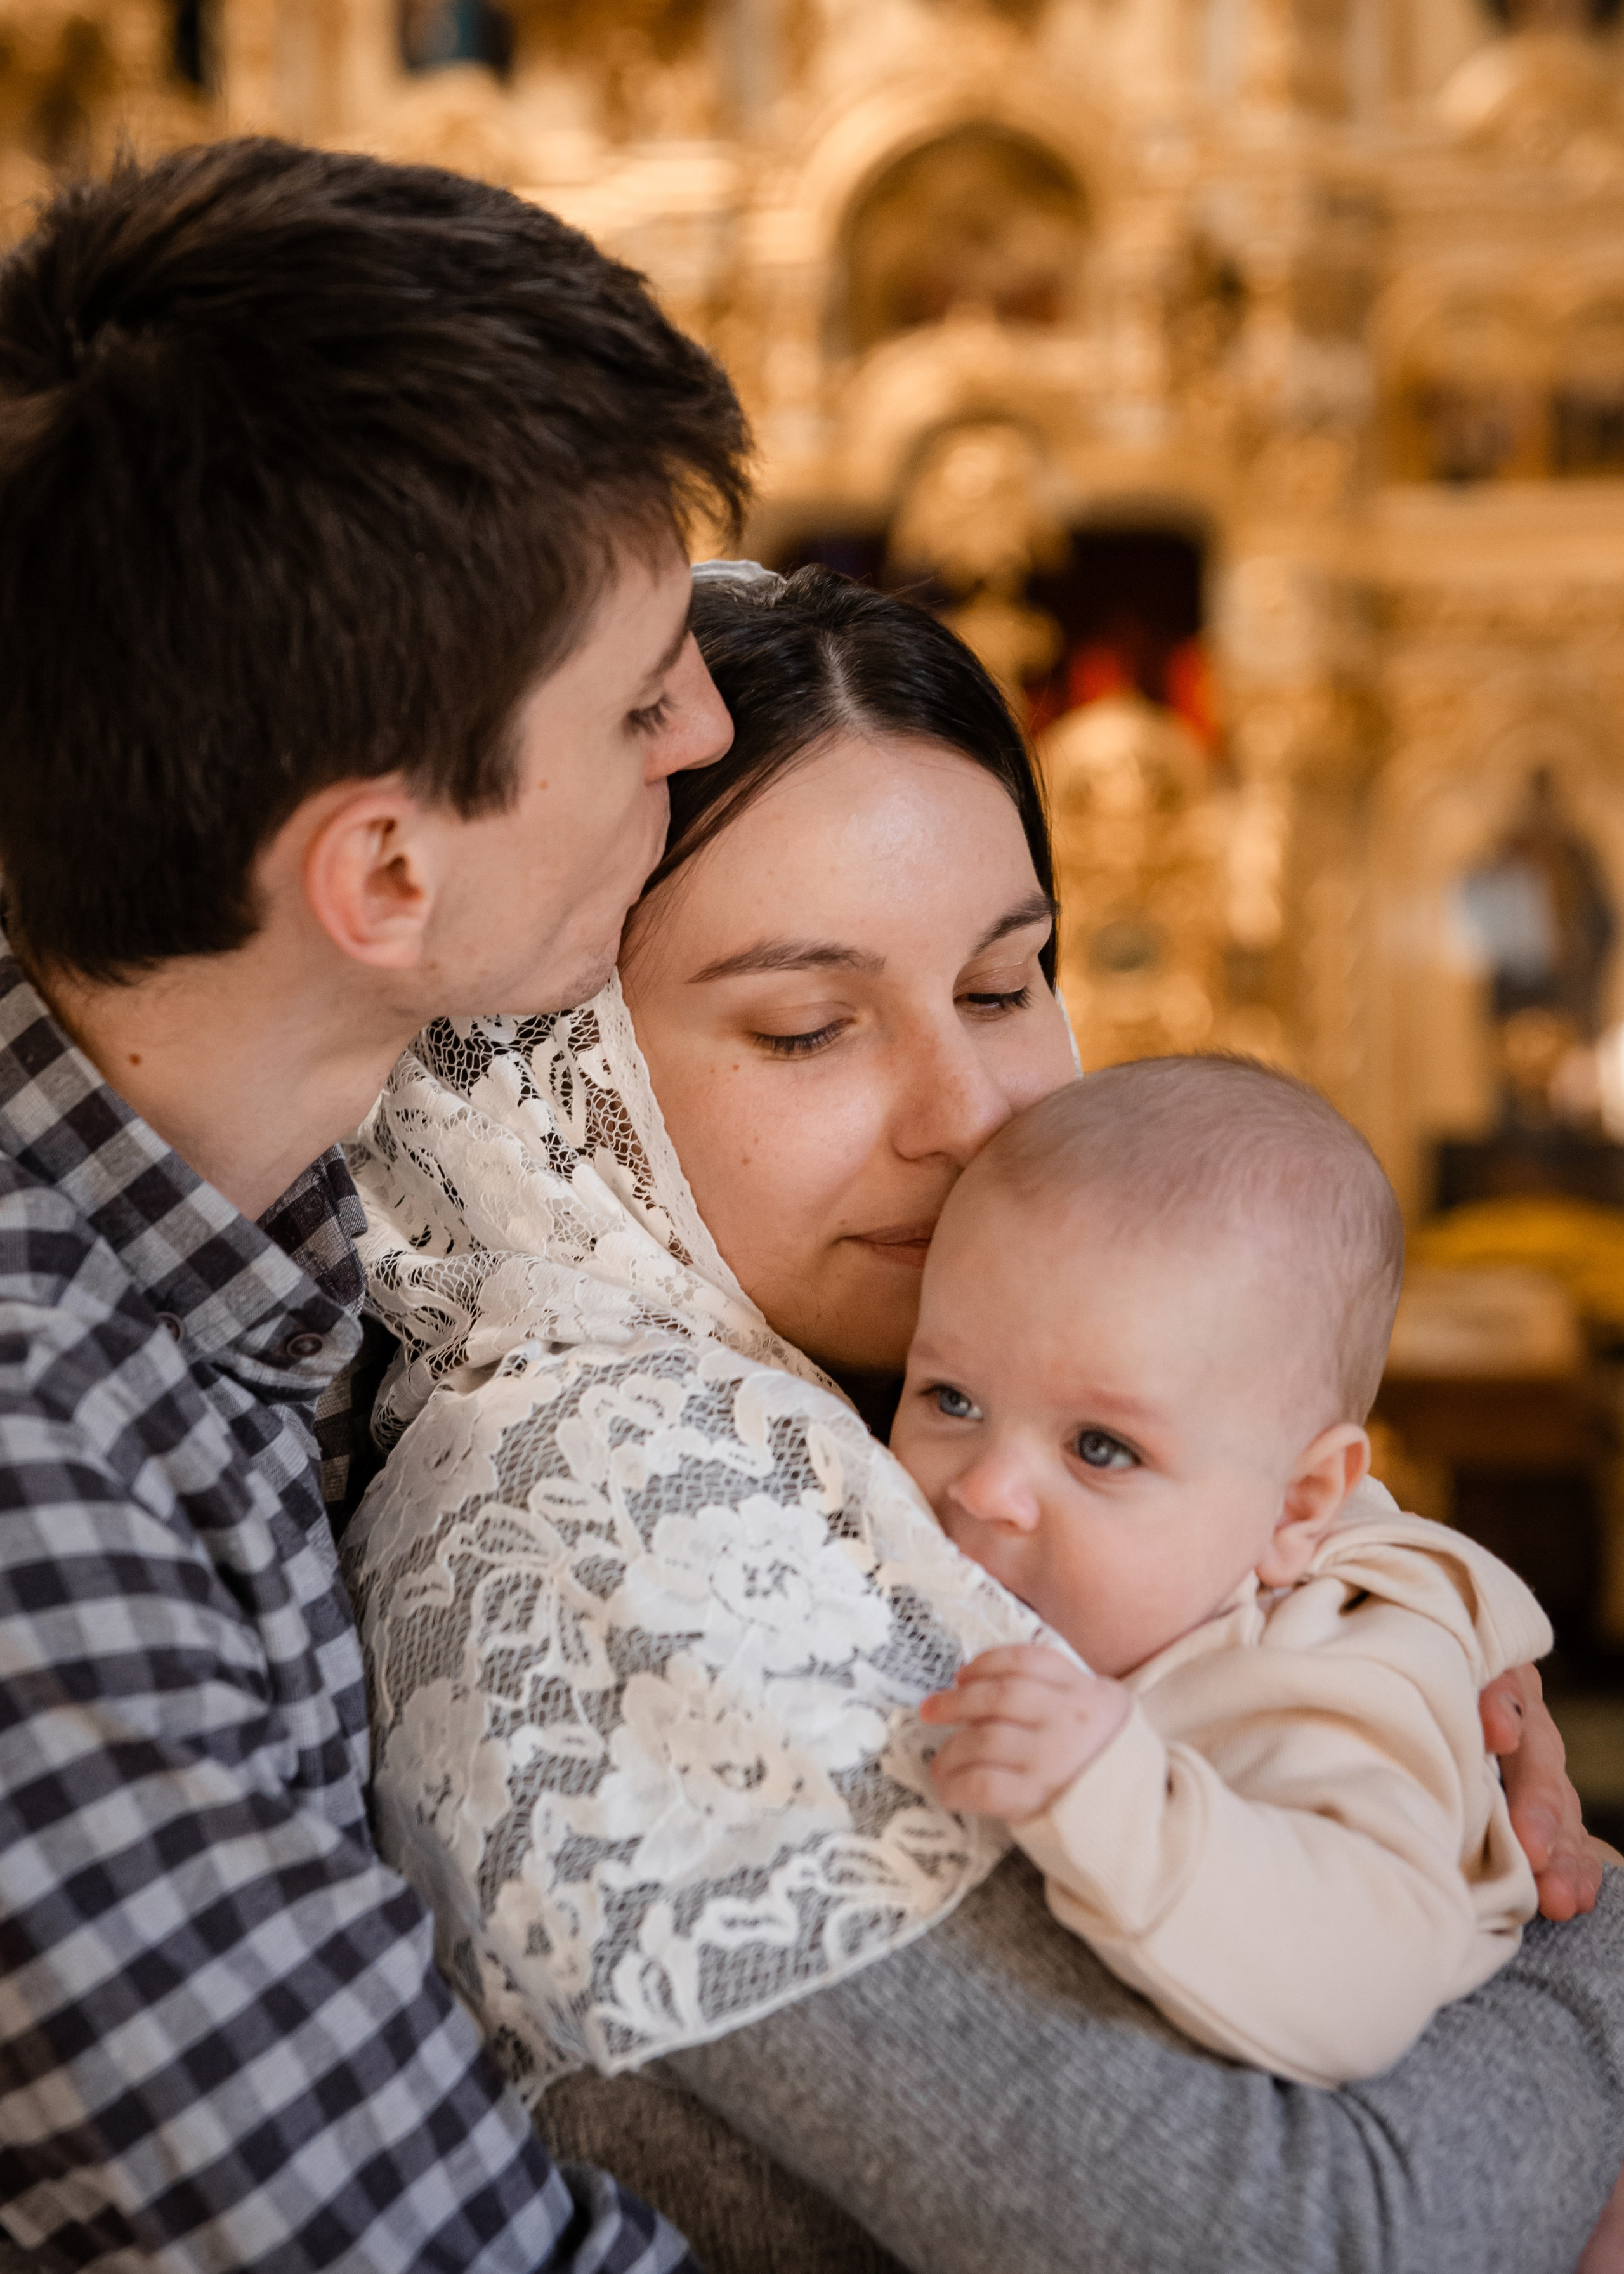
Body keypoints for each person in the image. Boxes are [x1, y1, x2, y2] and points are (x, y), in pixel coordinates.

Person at [346, 564, 1624, 2274]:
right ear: (557, 1060)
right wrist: (1582, 1927)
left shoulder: (886, 1412)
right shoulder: (609, 1494)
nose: (966, 1114)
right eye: (809, 1027)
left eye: (1008, 985)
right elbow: (1306, 2239)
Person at [0, 137, 751, 2270]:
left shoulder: (238, 1069)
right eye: (635, 704)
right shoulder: (36, 1495)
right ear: (386, 879)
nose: (701, 720)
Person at [903, 1055, 1551, 2088]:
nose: (983, 1490)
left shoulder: (1330, 1680)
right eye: (950, 1397)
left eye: (1101, 1448)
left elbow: (1364, 1981)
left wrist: (1115, 1795)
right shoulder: (1188, 1555)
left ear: (1297, 1505)